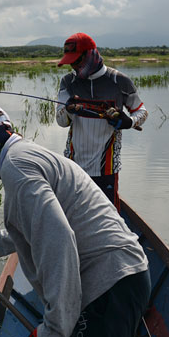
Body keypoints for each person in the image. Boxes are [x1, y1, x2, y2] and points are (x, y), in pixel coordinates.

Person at [0, 101, 151, 337]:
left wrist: (53, 331)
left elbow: (59, 242)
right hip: (121, 277)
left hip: (107, 287)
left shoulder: (17, 168)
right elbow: (30, 229)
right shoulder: (24, 156)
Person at [55, 32, 148, 210]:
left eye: (76, 60)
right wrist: (67, 109)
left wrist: (129, 122)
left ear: (90, 55)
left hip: (106, 168)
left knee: (110, 217)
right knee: (73, 215)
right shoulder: (68, 82)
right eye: (70, 62)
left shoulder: (119, 81)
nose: (73, 66)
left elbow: (141, 111)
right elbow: (61, 122)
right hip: (74, 166)